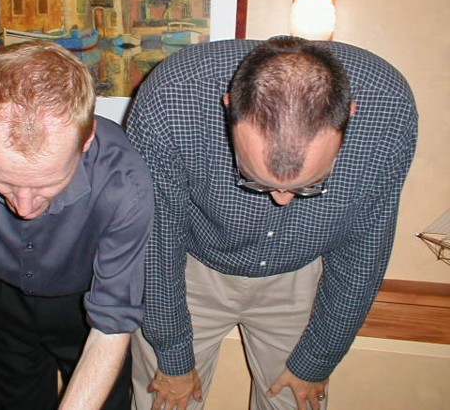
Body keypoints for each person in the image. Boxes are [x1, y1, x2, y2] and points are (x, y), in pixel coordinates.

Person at [126, 37, 417, 410]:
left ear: (350, 115)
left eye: (310, 185)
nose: (281, 199)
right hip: (188, 270)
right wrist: (172, 353)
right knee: (165, 401)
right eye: (257, 181)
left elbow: (364, 247)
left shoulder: (388, 109)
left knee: (297, 400)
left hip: (299, 277)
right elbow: (155, 239)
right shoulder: (175, 92)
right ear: (229, 107)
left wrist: (319, 357)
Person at [0, 40, 154, 410]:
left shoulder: (125, 182)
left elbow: (111, 327)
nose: (23, 207)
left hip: (89, 298)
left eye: (45, 185)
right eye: (2, 182)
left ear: (86, 141)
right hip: (5, 293)